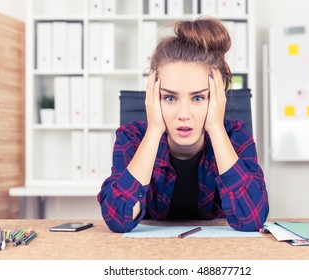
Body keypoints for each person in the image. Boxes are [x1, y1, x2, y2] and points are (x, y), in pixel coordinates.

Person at [97, 17, 269, 233]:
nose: (183, 114)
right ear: (153, 97)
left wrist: (216, 129)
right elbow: (117, 220)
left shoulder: (235, 136)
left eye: (198, 98)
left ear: (216, 98)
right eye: (170, 98)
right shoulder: (133, 137)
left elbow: (252, 219)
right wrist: (153, 131)